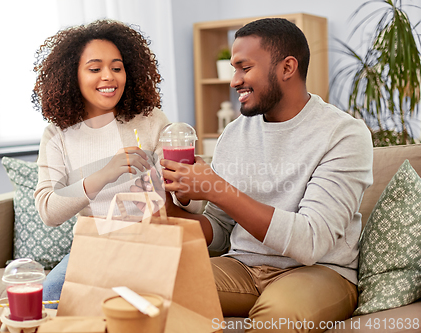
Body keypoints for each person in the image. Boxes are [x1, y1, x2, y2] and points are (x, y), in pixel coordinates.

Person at [160, 18, 373, 332]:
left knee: (278, 315)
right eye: (234, 69)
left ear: (287, 68)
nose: (234, 81)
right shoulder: (234, 134)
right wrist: (165, 207)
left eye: (244, 68)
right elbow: (219, 230)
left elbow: (311, 242)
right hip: (242, 267)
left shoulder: (343, 135)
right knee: (155, 286)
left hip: (319, 272)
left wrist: (216, 188)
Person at [32, 19, 198, 308]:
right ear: (73, 75)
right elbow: (48, 210)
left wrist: (182, 187)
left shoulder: (150, 121)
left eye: (117, 67)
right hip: (92, 248)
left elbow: (193, 206)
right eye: (95, 69)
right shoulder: (57, 135)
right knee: (48, 302)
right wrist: (104, 173)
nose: (109, 77)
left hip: (151, 245)